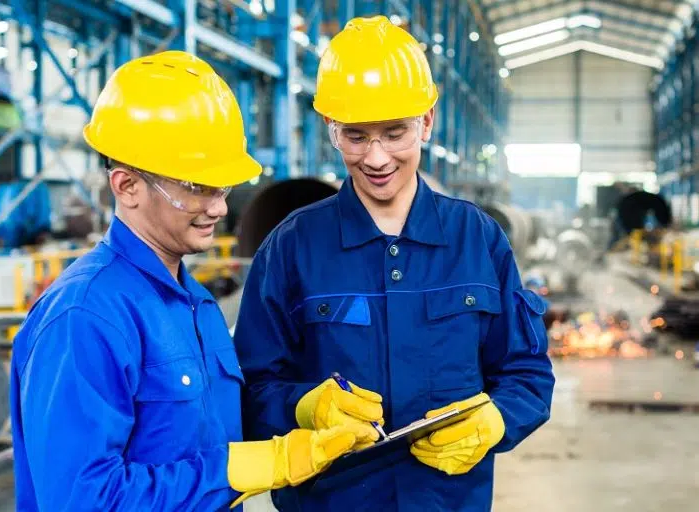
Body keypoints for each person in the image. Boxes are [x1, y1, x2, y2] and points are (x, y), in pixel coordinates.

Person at [8, 50, 360, 511]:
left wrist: (301, 408)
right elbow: (82, 499)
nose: (218, 208)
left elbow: (209, 428)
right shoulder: (86, 317)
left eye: (222, 188)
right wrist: (231, 472)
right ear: (126, 186)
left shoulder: (195, 304)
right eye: (196, 188)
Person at [233, 17, 556, 511]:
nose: (377, 158)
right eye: (356, 137)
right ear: (331, 129)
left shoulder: (478, 240)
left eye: (395, 132)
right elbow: (251, 388)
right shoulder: (291, 247)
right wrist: (303, 406)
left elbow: (526, 373)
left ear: (427, 121)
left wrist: (497, 419)